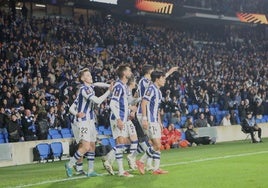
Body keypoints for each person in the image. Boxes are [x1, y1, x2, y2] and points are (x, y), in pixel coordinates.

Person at [65, 68, 113, 177]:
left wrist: (108, 85)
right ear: (83, 79)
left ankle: (90, 170)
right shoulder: (84, 90)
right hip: (83, 122)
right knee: (85, 147)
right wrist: (109, 91)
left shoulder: (90, 87)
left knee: (92, 145)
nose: (90, 76)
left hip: (91, 121)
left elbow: (98, 84)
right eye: (87, 75)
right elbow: (98, 101)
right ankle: (69, 164)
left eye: (90, 74)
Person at [136, 70, 168, 175]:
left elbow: (157, 108)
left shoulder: (158, 91)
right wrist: (144, 118)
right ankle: (141, 162)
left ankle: (156, 168)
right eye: (163, 78)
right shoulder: (151, 89)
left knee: (157, 145)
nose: (164, 80)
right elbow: (143, 103)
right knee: (157, 145)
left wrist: (159, 121)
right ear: (157, 79)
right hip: (150, 120)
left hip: (155, 121)